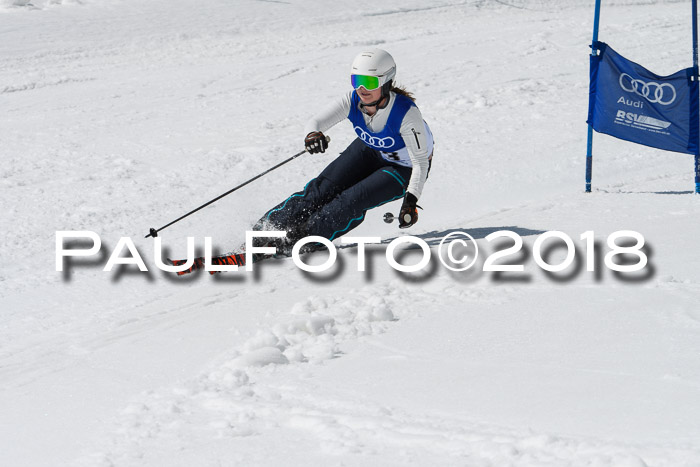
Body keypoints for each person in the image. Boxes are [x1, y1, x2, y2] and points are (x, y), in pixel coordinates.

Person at [253, 48, 434, 253]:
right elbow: (316, 122)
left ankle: (301, 240)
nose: (362, 89)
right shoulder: (353, 101)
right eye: (357, 80)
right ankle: (263, 232)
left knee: (350, 201)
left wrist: (411, 200)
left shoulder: (406, 114)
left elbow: (420, 163)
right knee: (319, 190)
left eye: (371, 82)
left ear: (386, 82)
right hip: (372, 149)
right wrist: (313, 135)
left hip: (404, 168)